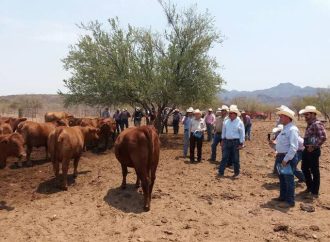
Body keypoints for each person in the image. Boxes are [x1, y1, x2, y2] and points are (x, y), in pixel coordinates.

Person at [270, 106, 299, 208]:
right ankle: (282, 197)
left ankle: (290, 201)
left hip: (287, 158)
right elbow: (279, 143)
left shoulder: (292, 129)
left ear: (287, 117)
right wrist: (273, 144)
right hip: (280, 156)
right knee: (282, 178)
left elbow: (293, 147)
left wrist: (286, 159)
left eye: (281, 116)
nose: (280, 118)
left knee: (288, 179)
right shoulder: (284, 129)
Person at [299, 106, 327, 198]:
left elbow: (323, 137)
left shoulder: (316, 124)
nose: (305, 116)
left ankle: (315, 192)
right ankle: (310, 187)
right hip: (307, 150)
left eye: (307, 114)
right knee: (304, 168)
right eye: (304, 115)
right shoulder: (310, 124)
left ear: (313, 114)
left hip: (313, 151)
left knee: (315, 171)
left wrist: (314, 146)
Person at [218, 105, 245, 178]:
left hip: (236, 142)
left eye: (231, 113)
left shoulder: (239, 122)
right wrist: (222, 140)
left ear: (235, 114)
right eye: (229, 113)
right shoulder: (226, 122)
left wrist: (241, 143)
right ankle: (221, 172)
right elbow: (224, 131)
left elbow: (242, 133)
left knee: (235, 158)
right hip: (226, 141)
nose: (230, 114)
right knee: (224, 157)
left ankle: (236, 173)